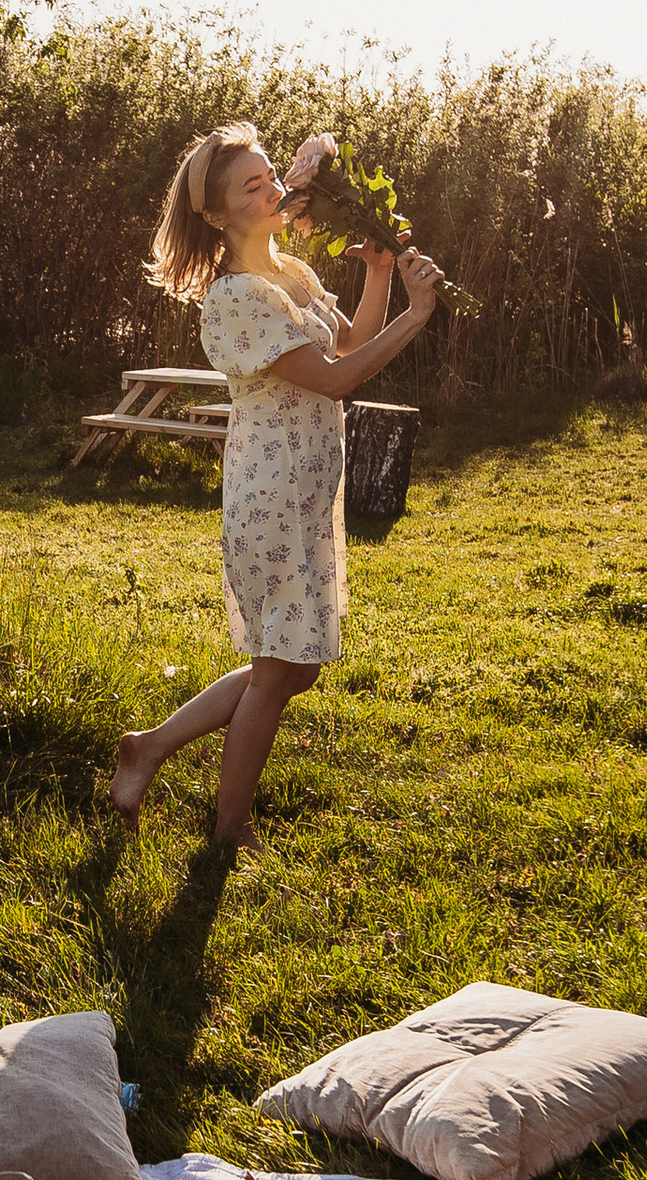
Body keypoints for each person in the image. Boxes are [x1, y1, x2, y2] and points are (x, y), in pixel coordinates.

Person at [110, 122, 444, 855]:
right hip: (271, 493)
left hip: (308, 490)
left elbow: (347, 340)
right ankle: (229, 832)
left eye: (271, 177)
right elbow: (335, 379)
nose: (273, 192)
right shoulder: (234, 298)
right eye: (251, 187)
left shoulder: (290, 273)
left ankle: (150, 747)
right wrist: (418, 315)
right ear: (215, 214)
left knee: (294, 668)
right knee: (277, 670)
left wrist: (380, 273)